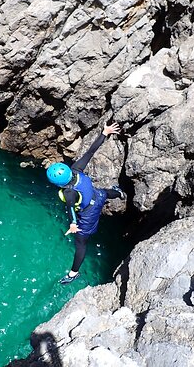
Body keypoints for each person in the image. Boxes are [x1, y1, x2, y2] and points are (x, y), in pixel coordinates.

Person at [46, 122, 125, 284]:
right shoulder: (76, 168)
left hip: (89, 211)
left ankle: (73, 273)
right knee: (105, 193)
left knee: (81, 243)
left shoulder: (69, 193)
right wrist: (104, 133)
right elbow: (91, 151)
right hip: (97, 195)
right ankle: (119, 193)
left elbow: (70, 209)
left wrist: (74, 224)